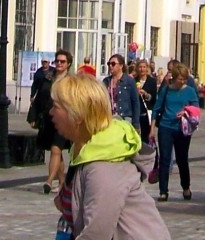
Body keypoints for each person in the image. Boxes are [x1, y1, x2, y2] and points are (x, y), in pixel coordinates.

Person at [48, 72, 171, 239]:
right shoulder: (89, 150)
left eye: (56, 106)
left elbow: (97, 232)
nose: (50, 112)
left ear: (76, 114)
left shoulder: (103, 165)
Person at [152, 61, 200, 202]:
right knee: (165, 159)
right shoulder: (166, 89)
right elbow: (156, 108)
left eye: (185, 79)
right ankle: (163, 191)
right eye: (180, 79)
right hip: (166, 127)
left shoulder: (190, 91)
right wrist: (152, 129)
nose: (183, 81)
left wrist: (185, 112)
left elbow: (196, 108)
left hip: (182, 129)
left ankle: (186, 187)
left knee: (182, 159)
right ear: (174, 77)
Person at [36, 49, 73, 194]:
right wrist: (34, 115)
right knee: (56, 151)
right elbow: (40, 96)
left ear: (68, 64)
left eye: (62, 61)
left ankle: (49, 181)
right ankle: (63, 183)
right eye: (57, 61)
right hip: (49, 118)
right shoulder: (48, 77)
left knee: (55, 149)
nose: (59, 64)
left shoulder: (71, 80)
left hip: (64, 119)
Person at [103, 53, 141, 130]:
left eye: (113, 64)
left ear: (121, 66)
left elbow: (135, 102)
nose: (110, 66)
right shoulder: (106, 81)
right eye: (109, 64)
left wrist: (136, 123)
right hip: (109, 118)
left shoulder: (129, 81)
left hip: (124, 118)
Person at [135, 59, 158, 144]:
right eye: (140, 67)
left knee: (146, 138)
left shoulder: (152, 81)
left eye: (144, 67)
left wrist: (145, 94)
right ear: (137, 68)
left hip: (147, 113)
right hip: (137, 113)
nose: (142, 69)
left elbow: (154, 98)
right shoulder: (133, 80)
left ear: (147, 68)